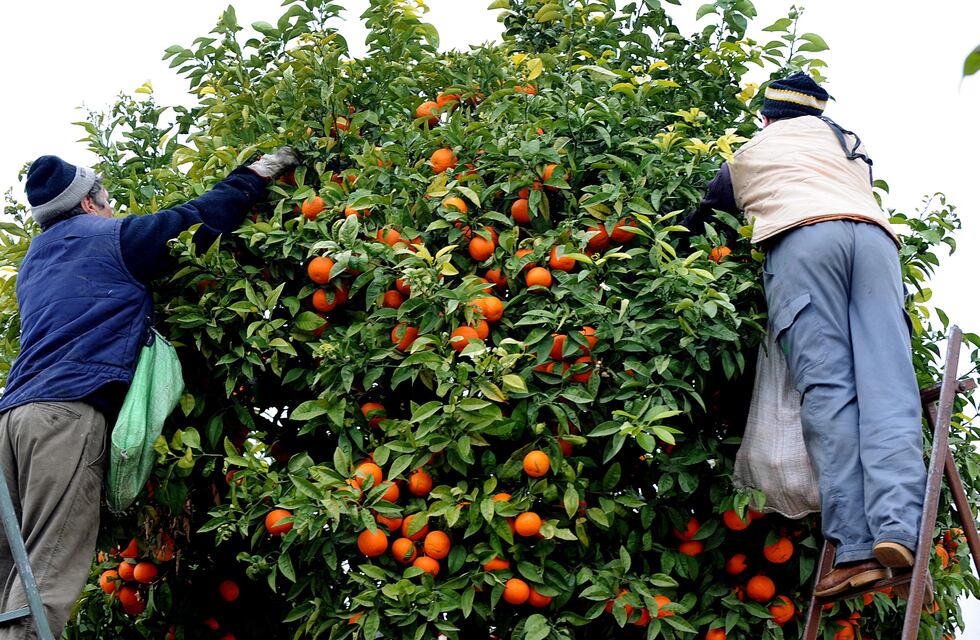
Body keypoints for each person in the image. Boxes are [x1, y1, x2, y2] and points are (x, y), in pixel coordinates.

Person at [0, 146, 298, 637]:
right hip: (64, 416)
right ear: (90, 204)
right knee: (46, 571)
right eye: (108, 200)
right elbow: (200, 219)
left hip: (11, 420)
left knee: (10, 574)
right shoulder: (109, 238)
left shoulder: (34, 262)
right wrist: (255, 174)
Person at [687, 73, 925, 597]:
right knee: (889, 386)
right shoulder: (847, 145)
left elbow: (703, 214)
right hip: (876, 244)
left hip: (804, 242)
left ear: (767, 117)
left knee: (830, 394)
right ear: (818, 115)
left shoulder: (751, 151)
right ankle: (901, 530)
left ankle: (858, 549)